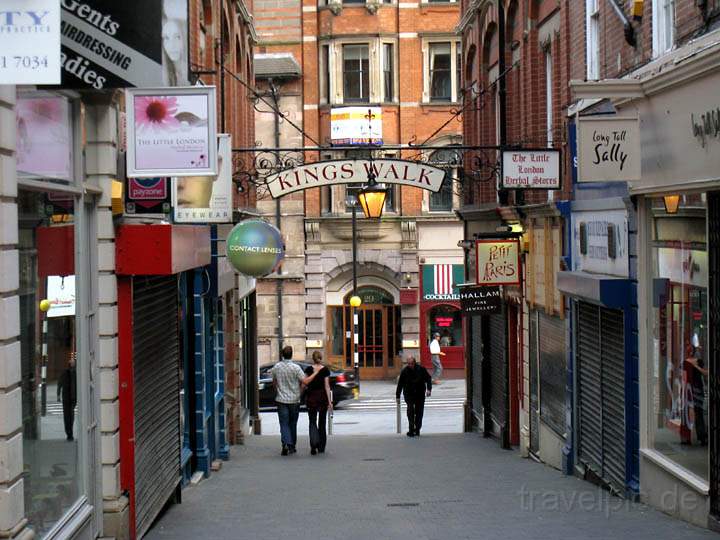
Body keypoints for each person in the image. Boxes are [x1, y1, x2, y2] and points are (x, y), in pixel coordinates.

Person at [270, 346, 307, 455]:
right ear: (292, 354)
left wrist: (277, 391)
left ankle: (285, 443)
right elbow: (304, 382)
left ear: (282, 354)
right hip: (294, 400)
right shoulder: (296, 368)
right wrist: (299, 393)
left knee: (284, 423)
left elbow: (274, 381)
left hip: (281, 399)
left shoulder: (277, 367)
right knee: (293, 423)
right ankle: (292, 445)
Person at [302, 352, 333, 455]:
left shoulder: (309, 369)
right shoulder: (325, 370)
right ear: (321, 358)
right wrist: (329, 401)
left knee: (312, 421)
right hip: (322, 398)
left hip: (311, 397)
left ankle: (313, 444)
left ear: (313, 359)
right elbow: (327, 386)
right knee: (322, 422)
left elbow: (304, 382)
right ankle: (321, 446)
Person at [396, 355, 432, 437]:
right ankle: (411, 429)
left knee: (419, 412)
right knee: (410, 410)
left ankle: (417, 429)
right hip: (409, 394)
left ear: (415, 363)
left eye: (411, 363)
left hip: (420, 393)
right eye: (408, 364)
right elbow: (400, 384)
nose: (410, 365)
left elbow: (428, 378)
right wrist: (397, 396)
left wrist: (429, 389)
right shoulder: (404, 371)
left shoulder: (421, 369)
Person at [685, 344, 708, 446]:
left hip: (697, 389)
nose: (689, 352)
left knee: (698, 413)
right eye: (687, 350)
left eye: (690, 350)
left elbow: (706, 373)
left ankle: (702, 436)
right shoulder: (685, 362)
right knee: (687, 413)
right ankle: (688, 437)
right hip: (688, 390)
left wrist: (696, 366)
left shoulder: (699, 361)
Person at [57, 352, 77, 442]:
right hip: (68, 397)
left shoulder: (75, 373)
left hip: (71, 398)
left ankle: (70, 432)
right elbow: (59, 384)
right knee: (68, 416)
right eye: (72, 364)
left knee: (69, 416)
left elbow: (59, 384)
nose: (73, 365)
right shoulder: (67, 373)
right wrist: (58, 395)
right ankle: (69, 433)